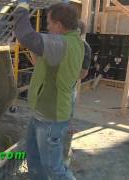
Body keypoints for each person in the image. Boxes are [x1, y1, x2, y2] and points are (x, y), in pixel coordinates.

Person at [13, 1, 84, 180]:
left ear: (59, 25)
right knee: (34, 158)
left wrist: (22, 7)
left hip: (50, 117)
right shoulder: (75, 41)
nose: (48, 27)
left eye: (49, 24)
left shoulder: (61, 44)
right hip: (42, 112)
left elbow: (25, 35)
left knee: (53, 168)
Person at [62, 20, 92, 167]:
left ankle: (63, 161)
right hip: (55, 90)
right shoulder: (62, 43)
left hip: (67, 90)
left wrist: (66, 73)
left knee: (65, 123)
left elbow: (83, 73)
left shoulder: (84, 48)